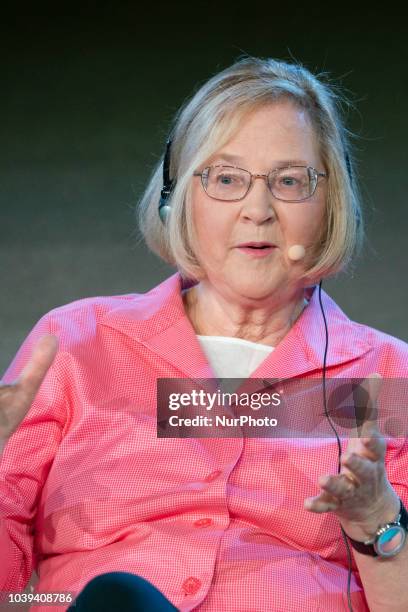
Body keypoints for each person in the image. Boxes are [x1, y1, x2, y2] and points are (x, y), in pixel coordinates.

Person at [1, 56, 407, 612]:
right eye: (226, 179)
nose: (258, 210)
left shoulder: (389, 379)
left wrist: (376, 520)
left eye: (289, 181)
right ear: (178, 197)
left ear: (330, 202)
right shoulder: (76, 342)